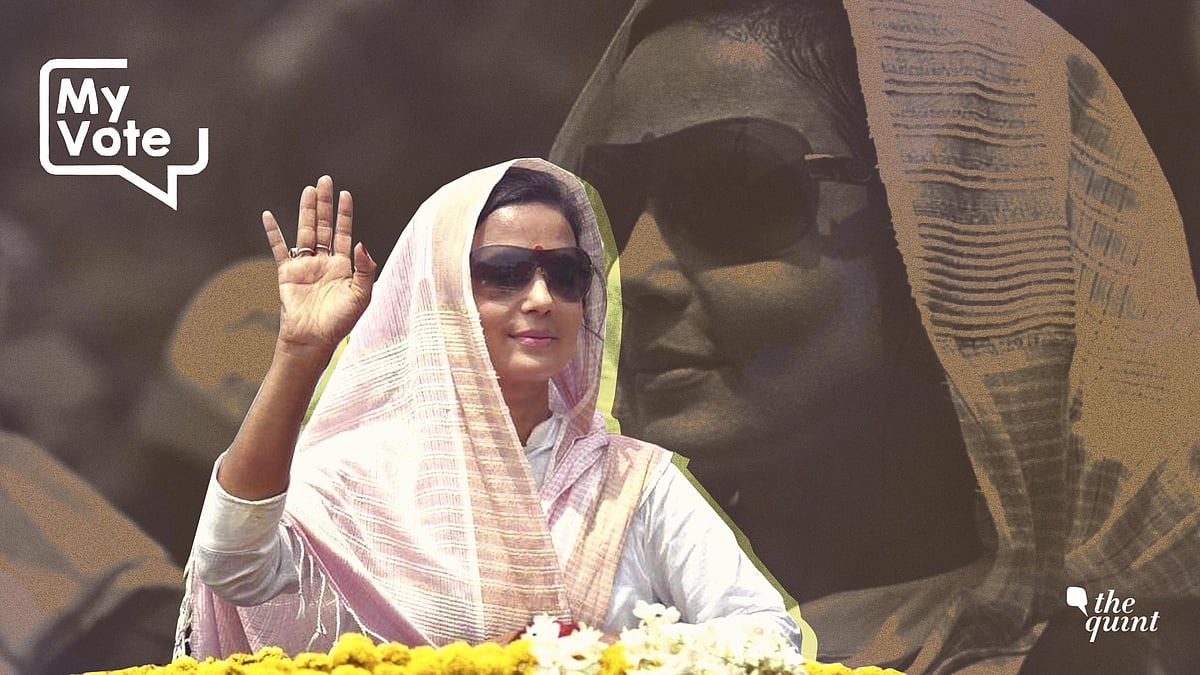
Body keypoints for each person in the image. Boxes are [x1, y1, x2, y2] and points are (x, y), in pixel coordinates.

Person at [551, 0, 1200, 672]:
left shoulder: (1121, 653)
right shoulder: (545, 632)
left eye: (735, 190)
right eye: (608, 204)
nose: (633, 271)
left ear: (953, 235)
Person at [176, 160, 804, 658]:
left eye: (565, 273)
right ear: (445, 291)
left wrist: (600, 658)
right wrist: (299, 352)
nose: (541, 298)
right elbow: (232, 565)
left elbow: (768, 634)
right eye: (505, 272)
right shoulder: (358, 475)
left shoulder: (632, 482)